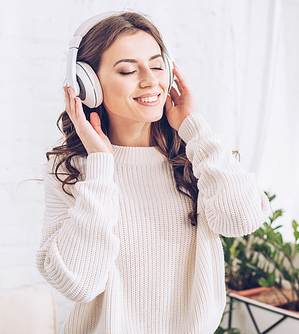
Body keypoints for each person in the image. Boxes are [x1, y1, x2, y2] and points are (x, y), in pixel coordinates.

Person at [36, 11, 270, 334]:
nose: (150, 80)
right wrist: (101, 165)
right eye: (129, 70)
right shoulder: (73, 170)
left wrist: (195, 129)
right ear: (88, 85)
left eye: (157, 65)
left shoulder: (194, 153)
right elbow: (79, 284)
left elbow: (242, 219)